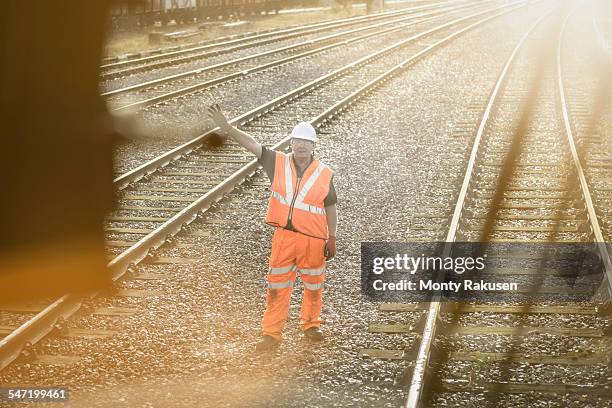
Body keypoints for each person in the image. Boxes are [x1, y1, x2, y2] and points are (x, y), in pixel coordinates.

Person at [206, 104, 338, 351]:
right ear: (291, 143)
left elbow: (331, 207)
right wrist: (227, 128)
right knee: (277, 287)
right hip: (284, 238)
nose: (300, 146)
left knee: (313, 285)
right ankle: (272, 334)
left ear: (313, 146)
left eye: (305, 142)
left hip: (314, 239)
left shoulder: (324, 173)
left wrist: (332, 237)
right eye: (297, 141)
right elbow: (252, 144)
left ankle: (311, 325)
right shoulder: (276, 162)